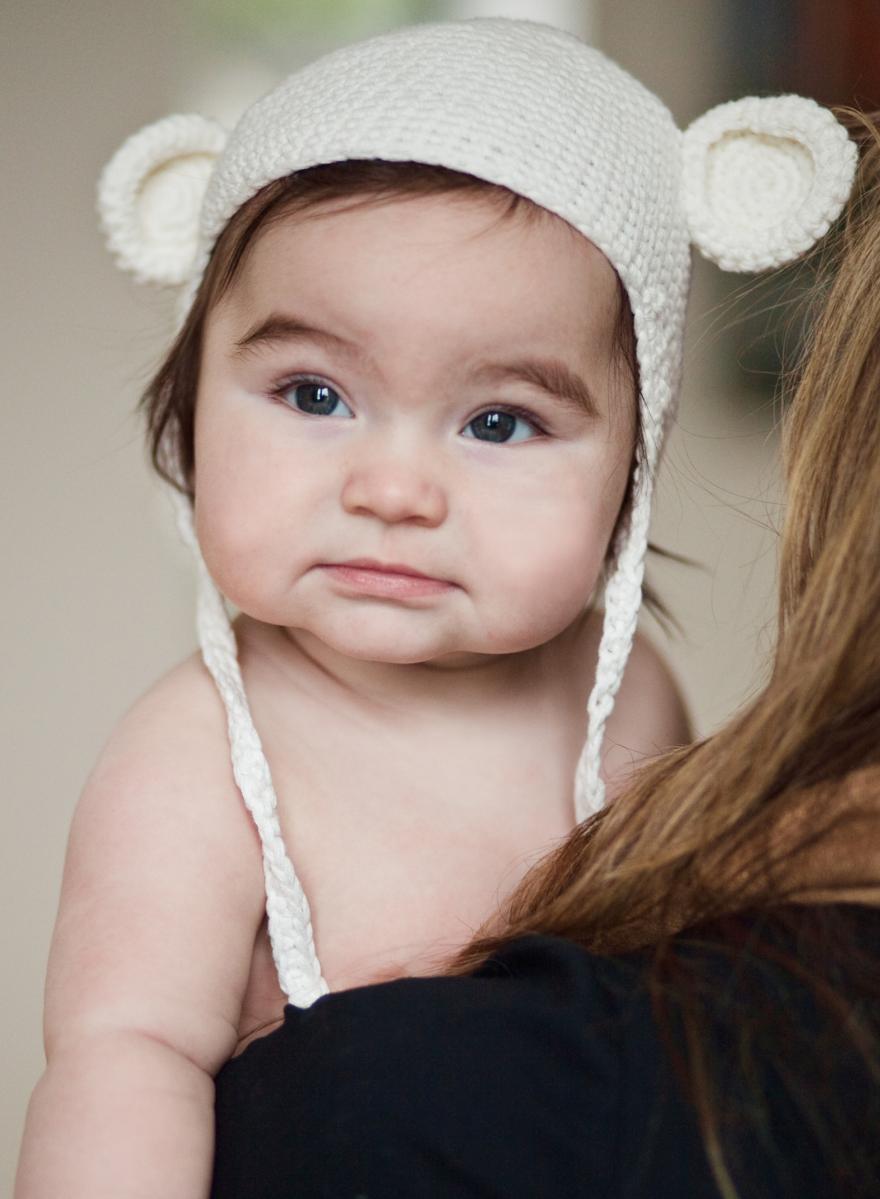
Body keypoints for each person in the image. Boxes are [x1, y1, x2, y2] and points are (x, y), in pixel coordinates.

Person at [13, 17, 861, 1198]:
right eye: (314, 393)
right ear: (189, 404)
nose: (394, 490)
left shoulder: (630, 695)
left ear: (631, 462)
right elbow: (124, 1056)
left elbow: (678, 1021)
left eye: (499, 420)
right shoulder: (203, 754)